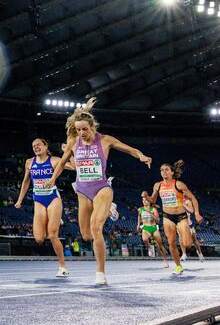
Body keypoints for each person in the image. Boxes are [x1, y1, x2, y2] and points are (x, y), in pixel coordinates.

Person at [45, 99, 151, 285]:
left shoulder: (105, 140)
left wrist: (140, 155)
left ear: (92, 127)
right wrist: (53, 179)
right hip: (83, 190)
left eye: (84, 129)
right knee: (86, 235)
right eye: (78, 130)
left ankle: (100, 273)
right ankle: (110, 209)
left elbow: (129, 149)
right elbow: (62, 164)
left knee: (96, 228)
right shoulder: (73, 142)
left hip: (101, 188)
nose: (81, 133)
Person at [14, 138, 72, 277]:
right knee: (39, 239)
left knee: (52, 235)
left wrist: (70, 151)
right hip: (38, 200)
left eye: (39, 145)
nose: (36, 147)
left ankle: (62, 267)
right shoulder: (29, 162)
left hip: (53, 198)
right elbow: (26, 181)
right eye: (33, 146)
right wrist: (20, 199)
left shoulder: (54, 160)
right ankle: (56, 220)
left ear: (46, 146)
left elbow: (74, 167)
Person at [144, 160, 203, 275]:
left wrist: (196, 213)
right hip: (167, 217)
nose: (163, 172)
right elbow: (152, 201)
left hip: (181, 216)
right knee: (171, 243)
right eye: (162, 170)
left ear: (172, 172)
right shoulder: (158, 185)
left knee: (186, 244)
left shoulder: (179, 184)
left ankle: (187, 239)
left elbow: (193, 198)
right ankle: (178, 266)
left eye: (166, 170)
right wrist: (147, 196)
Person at [137, 195, 168, 268]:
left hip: (153, 227)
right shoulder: (140, 209)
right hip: (145, 227)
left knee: (160, 245)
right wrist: (138, 225)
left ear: (149, 201)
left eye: (146, 200)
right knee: (144, 239)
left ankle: (165, 261)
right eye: (143, 200)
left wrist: (149, 212)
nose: (144, 201)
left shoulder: (153, 209)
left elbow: (158, 220)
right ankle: (149, 247)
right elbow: (139, 216)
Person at [181, 198, 205, 263]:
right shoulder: (176, 201)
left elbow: (191, 211)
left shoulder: (187, 201)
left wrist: (183, 204)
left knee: (194, 240)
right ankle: (184, 254)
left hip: (189, 224)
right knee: (181, 239)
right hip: (180, 223)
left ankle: (200, 253)